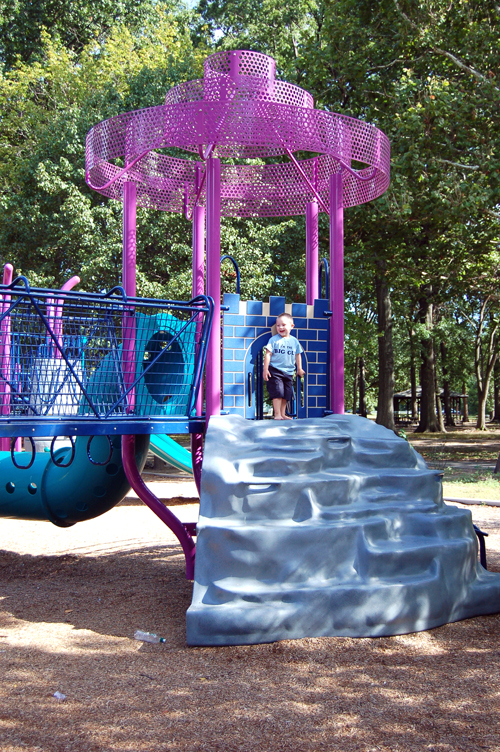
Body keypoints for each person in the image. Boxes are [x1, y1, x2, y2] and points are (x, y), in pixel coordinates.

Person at [263, 313, 305, 420]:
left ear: (291, 326)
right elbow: (268, 354)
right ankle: (277, 414)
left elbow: (298, 355)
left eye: (283, 325)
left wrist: (299, 368)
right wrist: (265, 369)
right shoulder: (274, 340)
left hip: (289, 372)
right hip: (275, 370)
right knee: (278, 392)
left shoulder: (294, 341)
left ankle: (282, 414)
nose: (280, 327)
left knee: (286, 394)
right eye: (278, 325)